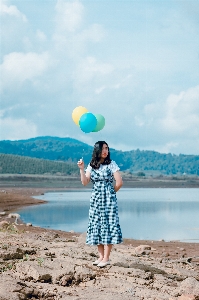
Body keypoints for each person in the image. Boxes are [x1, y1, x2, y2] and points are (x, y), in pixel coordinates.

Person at [77, 141, 123, 267]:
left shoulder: (111, 164)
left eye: (107, 148)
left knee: (108, 225)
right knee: (96, 224)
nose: (105, 151)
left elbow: (119, 182)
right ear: (97, 150)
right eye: (103, 149)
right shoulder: (92, 165)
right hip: (96, 199)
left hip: (108, 199)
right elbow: (85, 182)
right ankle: (101, 257)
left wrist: (110, 193)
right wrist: (82, 169)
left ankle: (106, 258)